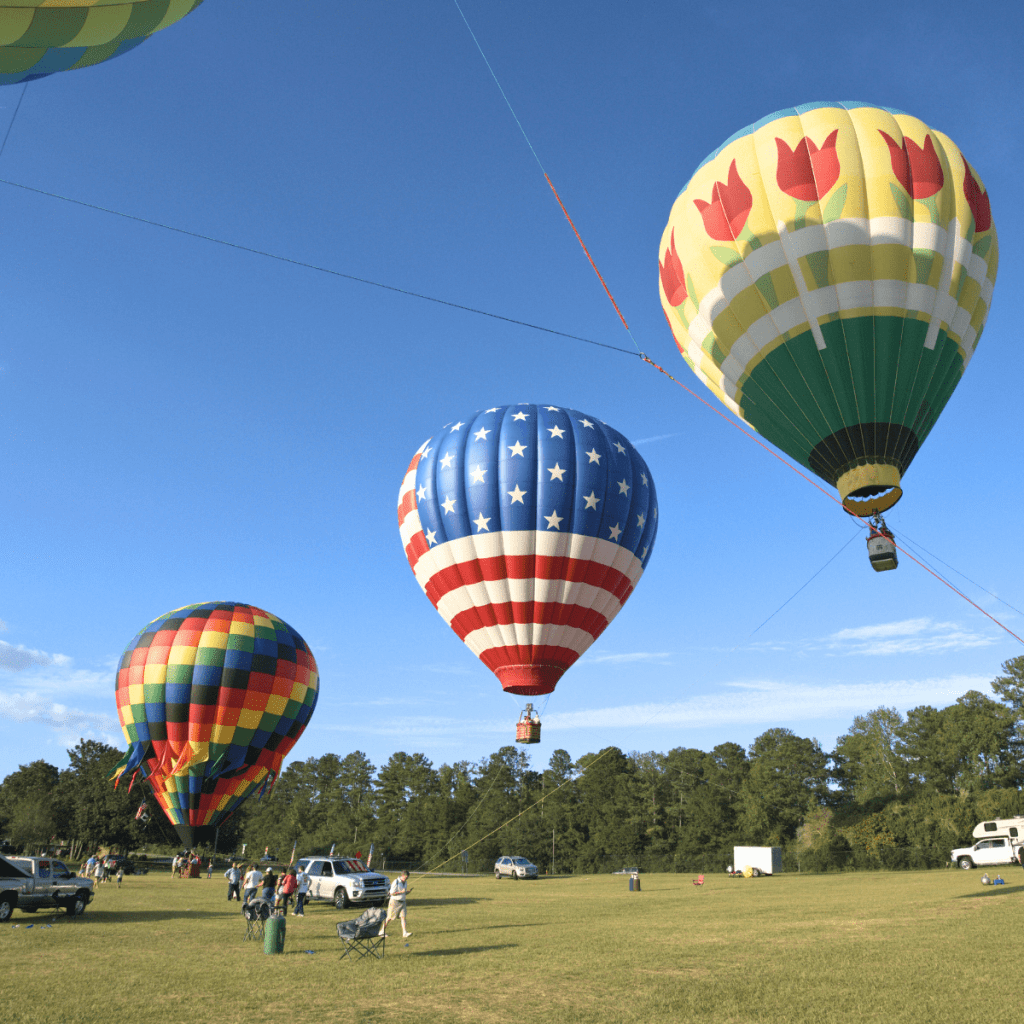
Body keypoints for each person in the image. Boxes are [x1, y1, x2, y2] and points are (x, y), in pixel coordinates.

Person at [379, 870, 412, 939]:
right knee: (389, 917)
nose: (407, 878)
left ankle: (404, 933)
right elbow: (391, 893)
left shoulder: (405, 882)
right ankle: (381, 931)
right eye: (406, 877)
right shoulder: (396, 882)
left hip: (402, 902)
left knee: (403, 917)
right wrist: (401, 892)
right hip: (395, 902)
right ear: (402, 875)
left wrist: (407, 892)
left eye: (407, 877)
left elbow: (404, 892)